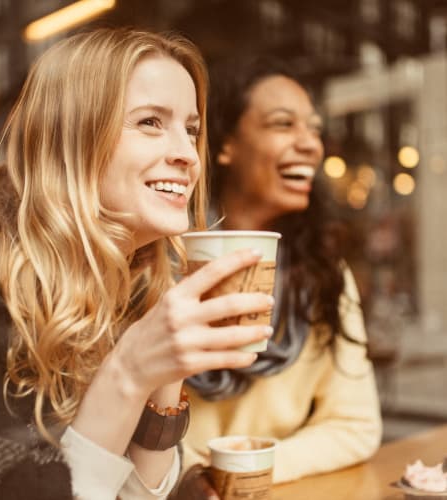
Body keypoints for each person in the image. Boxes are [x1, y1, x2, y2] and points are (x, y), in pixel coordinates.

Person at [0, 29, 276, 500]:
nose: (187, 155)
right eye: (149, 123)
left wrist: (167, 376)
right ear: (73, 138)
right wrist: (129, 371)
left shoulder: (131, 277)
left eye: (191, 129)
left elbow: (137, 495)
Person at [174, 53, 382, 496]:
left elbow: (356, 425)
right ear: (226, 143)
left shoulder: (325, 274)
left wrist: (238, 470)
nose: (311, 144)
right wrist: (181, 475)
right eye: (284, 124)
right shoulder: (159, 262)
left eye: (314, 128)